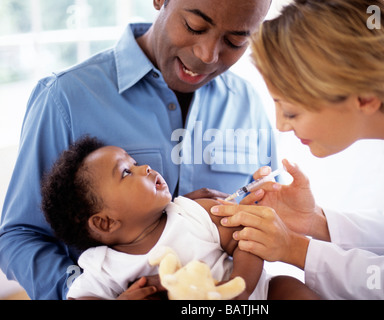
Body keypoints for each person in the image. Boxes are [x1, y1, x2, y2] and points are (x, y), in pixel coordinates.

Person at [0, 0, 278, 300]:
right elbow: (19, 236)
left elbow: (270, 221)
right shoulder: (63, 98)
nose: (207, 55)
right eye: (194, 27)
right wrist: (89, 287)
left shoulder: (248, 103)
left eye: (235, 40)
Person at [211, 0, 384, 299]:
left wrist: (294, 249)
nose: (281, 126)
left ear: (365, 97)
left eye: (292, 112)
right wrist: (313, 221)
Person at [40, 136, 318, 300]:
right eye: (126, 172)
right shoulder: (103, 267)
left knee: (287, 288)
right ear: (105, 222)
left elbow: (247, 238)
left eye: (135, 163)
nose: (144, 168)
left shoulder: (191, 212)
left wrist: (238, 288)